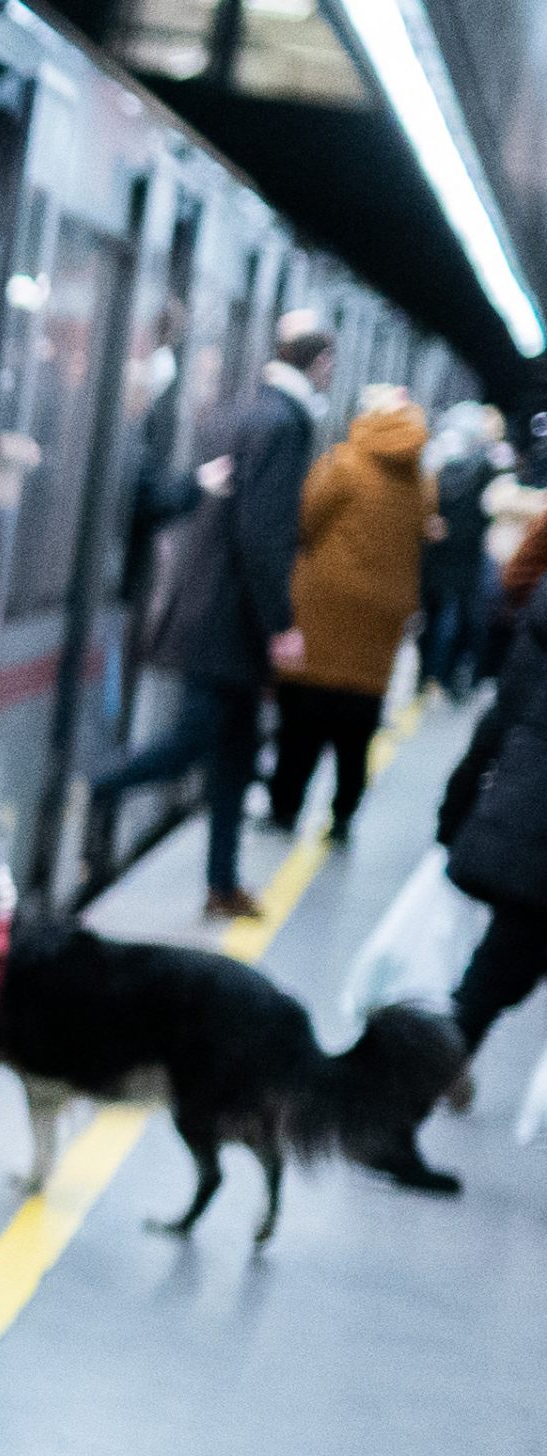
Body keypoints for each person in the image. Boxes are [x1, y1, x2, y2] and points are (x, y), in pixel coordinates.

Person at [93, 309, 335, 921]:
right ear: (319, 363)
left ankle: (222, 884)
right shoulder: (286, 425)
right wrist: (280, 624)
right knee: (194, 743)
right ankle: (99, 786)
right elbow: (262, 534)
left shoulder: (238, 411)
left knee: (235, 752)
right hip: (231, 622)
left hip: (211, 608)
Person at [265, 385, 430, 843]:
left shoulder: (344, 463)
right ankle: (342, 816)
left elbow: (305, 521)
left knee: (302, 720)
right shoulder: (421, 483)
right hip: (380, 621)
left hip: (325, 607)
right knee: (357, 726)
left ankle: (285, 808)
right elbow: (423, 532)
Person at [437, 570, 547, 1062]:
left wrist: (457, 806)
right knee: (502, 967)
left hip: (526, 814)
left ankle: (434, 1069)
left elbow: (502, 716)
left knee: (495, 970)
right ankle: (434, 1070)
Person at [422, 402, 504, 698]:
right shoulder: (486, 468)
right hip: (460, 554)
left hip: (443, 552)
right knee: (449, 619)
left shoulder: (439, 462)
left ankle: (430, 677)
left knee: (438, 618)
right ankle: (438, 678)